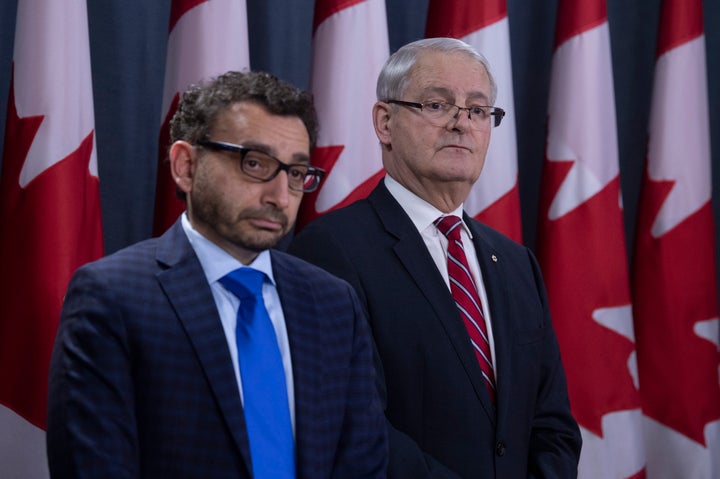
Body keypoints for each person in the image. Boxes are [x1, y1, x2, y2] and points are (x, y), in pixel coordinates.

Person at [47, 71, 388, 478]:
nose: (279, 196)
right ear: (186, 166)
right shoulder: (112, 296)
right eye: (255, 163)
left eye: (295, 174)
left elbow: (361, 465)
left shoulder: (333, 303)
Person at [288, 38, 582, 478]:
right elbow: (356, 425)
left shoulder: (516, 263)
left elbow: (552, 425)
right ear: (385, 122)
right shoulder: (331, 250)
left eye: (478, 110)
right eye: (436, 104)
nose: (461, 124)